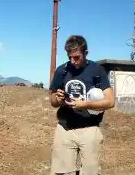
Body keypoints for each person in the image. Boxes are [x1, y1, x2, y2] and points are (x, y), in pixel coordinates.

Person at [48, 35, 116, 175]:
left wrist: (86, 105)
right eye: (69, 57)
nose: (73, 61)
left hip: (90, 129)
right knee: (62, 172)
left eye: (77, 57)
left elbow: (110, 101)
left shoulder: (97, 70)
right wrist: (58, 99)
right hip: (64, 129)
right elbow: (52, 101)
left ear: (86, 53)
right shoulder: (62, 71)